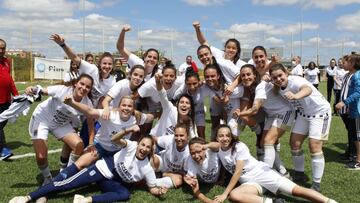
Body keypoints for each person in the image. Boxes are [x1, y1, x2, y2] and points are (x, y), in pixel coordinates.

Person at [9, 135, 168, 203]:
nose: (144, 148)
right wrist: (127, 131)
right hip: (101, 169)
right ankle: (27, 197)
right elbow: (116, 139)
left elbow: (152, 187)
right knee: (67, 184)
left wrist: (159, 191)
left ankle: (86, 200)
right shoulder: (131, 146)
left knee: (125, 194)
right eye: (143, 144)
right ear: (139, 144)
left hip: (112, 183)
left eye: (148, 147)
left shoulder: (147, 168)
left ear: (151, 150)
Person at [213, 124, 337, 203]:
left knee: (297, 191)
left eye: (227, 135)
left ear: (232, 137)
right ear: (216, 138)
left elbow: (238, 171)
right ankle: (274, 202)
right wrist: (203, 145)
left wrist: (224, 194)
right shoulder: (218, 148)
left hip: (262, 174)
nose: (225, 138)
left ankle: (329, 201)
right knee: (235, 195)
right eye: (221, 136)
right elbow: (216, 152)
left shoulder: (239, 146)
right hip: (249, 182)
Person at [269, 63, 332, 192]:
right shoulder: (278, 87)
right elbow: (275, 88)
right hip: (303, 114)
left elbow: (307, 89)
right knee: (294, 143)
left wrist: (296, 96)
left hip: (320, 113)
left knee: (314, 145)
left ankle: (316, 184)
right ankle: (299, 174)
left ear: (286, 73)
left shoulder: (296, 81)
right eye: (274, 78)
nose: (278, 79)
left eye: (280, 75)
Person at [24, 74, 94, 186]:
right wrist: (31, 89)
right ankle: (47, 178)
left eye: (88, 86)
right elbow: (42, 90)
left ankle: (65, 173)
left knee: (79, 145)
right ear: (76, 83)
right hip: (42, 119)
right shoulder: (62, 90)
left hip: (60, 124)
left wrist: (91, 143)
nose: (84, 88)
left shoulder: (87, 103)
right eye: (82, 84)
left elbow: (91, 125)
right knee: (41, 155)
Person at [60, 95, 154, 175]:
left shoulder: (135, 118)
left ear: (133, 108)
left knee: (110, 175)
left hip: (117, 153)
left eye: (129, 106)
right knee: (80, 165)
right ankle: (61, 179)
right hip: (100, 146)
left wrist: (141, 120)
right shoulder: (110, 114)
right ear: (119, 107)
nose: (126, 108)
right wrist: (71, 103)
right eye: (123, 105)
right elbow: (90, 111)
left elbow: (150, 118)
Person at [233, 64, 294, 176]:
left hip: (286, 114)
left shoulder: (260, 86)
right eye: (243, 76)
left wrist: (240, 113)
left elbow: (255, 109)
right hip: (273, 116)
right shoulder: (255, 86)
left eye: (248, 74)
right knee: (263, 143)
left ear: (255, 74)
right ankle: (282, 171)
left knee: (268, 142)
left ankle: (266, 175)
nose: (246, 77)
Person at [151, 72, 196, 138]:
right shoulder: (170, 109)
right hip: (155, 141)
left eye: (187, 103)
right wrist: (158, 82)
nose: (184, 105)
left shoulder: (189, 121)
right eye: (182, 102)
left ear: (190, 108)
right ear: (177, 105)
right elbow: (162, 94)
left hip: (171, 147)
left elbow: (193, 137)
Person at [335, 53, 360, 169]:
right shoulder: (348, 75)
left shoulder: (357, 75)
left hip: (355, 110)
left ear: (354, 64)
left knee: (356, 136)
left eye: (348, 62)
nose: (344, 63)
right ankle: (353, 155)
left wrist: (345, 103)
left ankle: (357, 159)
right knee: (353, 134)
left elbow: (358, 93)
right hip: (352, 109)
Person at [183, 137, 221, 203]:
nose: (196, 156)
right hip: (204, 182)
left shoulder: (211, 151)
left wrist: (207, 145)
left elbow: (220, 145)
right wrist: (209, 201)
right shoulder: (190, 161)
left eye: (199, 152)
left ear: (205, 149)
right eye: (192, 153)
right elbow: (196, 191)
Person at [152, 123, 190, 188]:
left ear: (188, 136)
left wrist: (166, 174)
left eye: (181, 135)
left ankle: (151, 182)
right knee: (153, 160)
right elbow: (153, 138)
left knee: (178, 181)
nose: (178, 138)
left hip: (174, 173)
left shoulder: (189, 151)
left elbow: (184, 173)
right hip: (162, 163)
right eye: (176, 135)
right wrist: (153, 146)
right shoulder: (170, 139)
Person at [0, 38, 19, 160]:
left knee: (2, 124)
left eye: (3, 48)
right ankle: (3, 149)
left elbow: (9, 80)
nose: (1, 50)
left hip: (6, 101)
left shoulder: (6, 62)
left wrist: (16, 95)